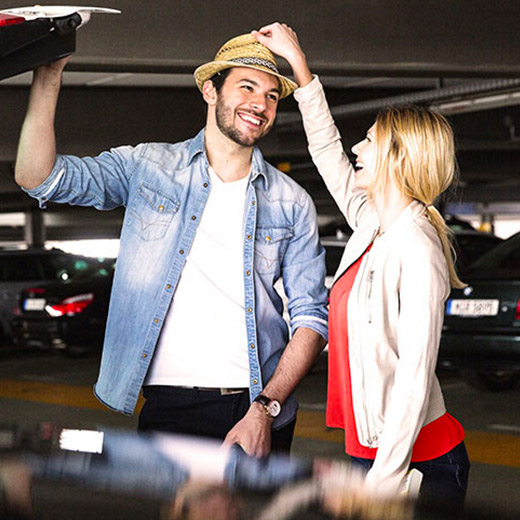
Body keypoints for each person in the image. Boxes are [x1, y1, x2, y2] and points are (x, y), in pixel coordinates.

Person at [14, 33, 328, 456]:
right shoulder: (149, 167)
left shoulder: (291, 201)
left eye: (272, 96)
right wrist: (48, 77)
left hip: (255, 406)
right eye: (247, 87)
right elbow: (39, 178)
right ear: (210, 90)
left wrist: (264, 409)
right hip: (169, 403)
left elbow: (311, 318)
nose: (261, 104)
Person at [253, 23, 470, 510]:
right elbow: (327, 150)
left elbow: (415, 377)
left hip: (416, 463)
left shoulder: (418, 247)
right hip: (368, 454)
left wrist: (382, 482)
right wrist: (299, 68)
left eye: (369, 141)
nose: (357, 148)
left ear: (396, 157)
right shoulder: (372, 224)